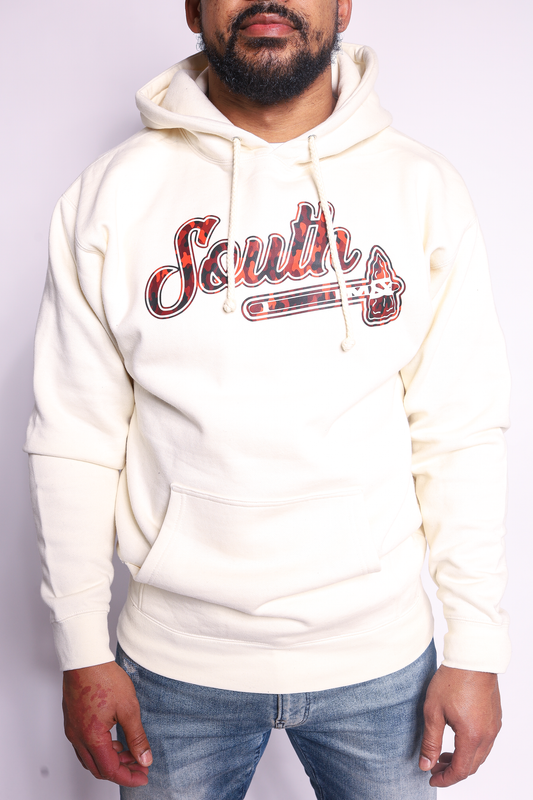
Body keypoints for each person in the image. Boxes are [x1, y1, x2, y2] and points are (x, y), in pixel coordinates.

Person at [26, 0, 510, 797]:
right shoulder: (110, 195)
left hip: (380, 662)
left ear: (342, 4)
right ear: (192, 7)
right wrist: (82, 648)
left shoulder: (420, 188)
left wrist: (475, 646)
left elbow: (458, 430)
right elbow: (74, 435)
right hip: (174, 667)